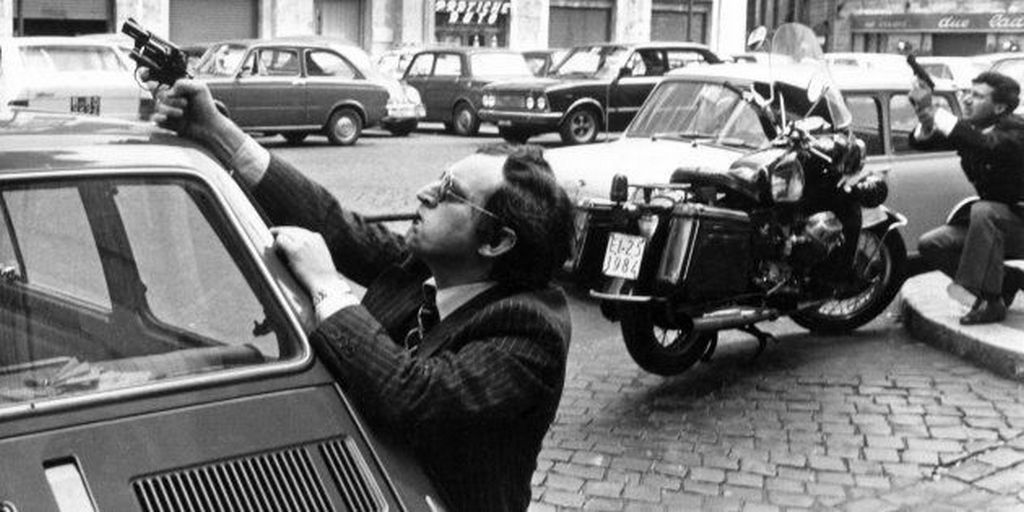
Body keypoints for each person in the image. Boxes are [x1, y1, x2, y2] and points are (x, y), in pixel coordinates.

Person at [149, 77, 575, 512]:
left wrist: (328, 287)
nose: (423, 193)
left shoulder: (530, 329)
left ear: (497, 243)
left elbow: (412, 395)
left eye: (449, 194)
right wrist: (218, 131)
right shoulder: (423, 268)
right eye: (440, 178)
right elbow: (334, 225)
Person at [909, 71, 1024, 324]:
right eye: (968, 93)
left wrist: (936, 111)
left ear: (1000, 107)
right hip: (996, 224)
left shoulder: (1017, 131)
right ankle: (1006, 280)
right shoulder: (972, 130)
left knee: (984, 211)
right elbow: (923, 143)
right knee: (931, 244)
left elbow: (988, 145)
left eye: (978, 96)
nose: (968, 100)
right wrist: (925, 115)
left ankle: (990, 302)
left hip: (1016, 223)